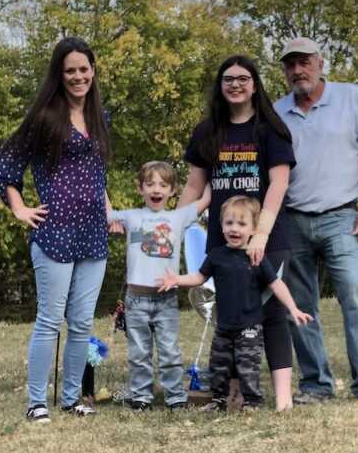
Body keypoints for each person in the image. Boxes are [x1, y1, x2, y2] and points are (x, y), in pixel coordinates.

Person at [0, 37, 112, 421]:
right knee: (50, 319)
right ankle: (36, 403)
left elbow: (96, 174)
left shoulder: (100, 118)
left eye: (84, 69)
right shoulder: (45, 117)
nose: (78, 76)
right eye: (70, 70)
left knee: (81, 323)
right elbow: (7, 164)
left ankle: (72, 398)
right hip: (54, 232)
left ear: (93, 71)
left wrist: (109, 210)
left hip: (93, 234)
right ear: (59, 76)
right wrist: (19, 207)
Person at [273, 36, 358, 406]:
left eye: (304, 62)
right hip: (292, 219)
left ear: (320, 63)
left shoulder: (352, 97)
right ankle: (316, 385)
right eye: (290, 64)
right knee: (299, 304)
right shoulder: (276, 112)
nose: (297, 70)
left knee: (355, 295)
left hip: (342, 217)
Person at [179, 55, 297, 410]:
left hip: (268, 239)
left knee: (273, 314)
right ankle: (233, 393)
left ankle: (283, 398)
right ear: (220, 85)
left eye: (242, 78)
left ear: (254, 84)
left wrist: (260, 234)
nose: (234, 84)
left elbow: (279, 183)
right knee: (227, 316)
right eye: (227, 78)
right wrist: (170, 226)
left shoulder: (271, 129)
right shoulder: (206, 131)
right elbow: (194, 186)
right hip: (223, 239)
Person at [158, 196, 312, 412]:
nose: (234, 229)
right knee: (218, 367)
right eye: (229, 223)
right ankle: (219, 401)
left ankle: (252, 403)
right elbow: (199, 278)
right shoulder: (216, 255)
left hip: (249, 328)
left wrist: (293, 308)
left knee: (247, 368)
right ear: (221, 226)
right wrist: (177, 280)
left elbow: (277, 285)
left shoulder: (256, 257)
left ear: (253, 229)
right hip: (224, 327)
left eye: (241, 224)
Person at [108, 161, 211, 411]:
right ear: (140, 189)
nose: (157, 189)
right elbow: (106, 215)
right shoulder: (131, 216)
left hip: (166, 300)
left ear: (173, 191)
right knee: (139, 353)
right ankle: (142, 396)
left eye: (163, 185)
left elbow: (207, 197)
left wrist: (212, 163)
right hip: (136, 299)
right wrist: (97, 176)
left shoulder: (179, 217)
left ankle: (175, 397)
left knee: (169, 352)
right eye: (150, 184)